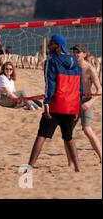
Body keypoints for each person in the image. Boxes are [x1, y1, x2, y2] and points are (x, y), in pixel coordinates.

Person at [27, 34, 83, 172]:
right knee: (69, 137)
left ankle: (29, 167)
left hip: (56, 104)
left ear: (58, 46)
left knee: (42, 135)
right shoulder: (75, 62)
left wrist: (46, 103)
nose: (49, 45)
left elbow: (50, 84)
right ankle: (78, 168)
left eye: (51, 43)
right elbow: (79, 88)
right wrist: (77, 107)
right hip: (71, 106)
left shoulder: (51, 61)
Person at [67, 44, 102, 164]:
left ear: (84, 54)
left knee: (87, 129)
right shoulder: (71, 67)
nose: (75, 54)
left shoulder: (90, 69)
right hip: (74, 101)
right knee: (67, 131)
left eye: (78, 52)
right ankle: (70, 162)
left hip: (87, 101)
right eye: (74, 52)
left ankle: (101, 157)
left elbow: (99, 90)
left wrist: (90, 102)